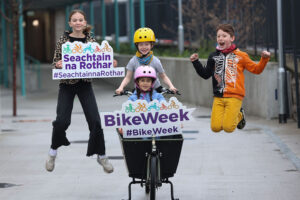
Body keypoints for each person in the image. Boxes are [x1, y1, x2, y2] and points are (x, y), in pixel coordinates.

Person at [45, 9, 113, 173]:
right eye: (74, 20)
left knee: (95, 121)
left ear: (84, 22)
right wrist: (59, 64)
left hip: (85, 84)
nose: (77, 22)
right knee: (62, 121)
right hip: (67, 85)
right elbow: (55, 61)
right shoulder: (63, 39)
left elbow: (98, 60)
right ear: (70, 23)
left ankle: (102, 156)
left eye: (80, 20)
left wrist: (109, 61)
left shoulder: (90, 40)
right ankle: (52, 152)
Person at [190, 24, 271, 133]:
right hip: (218, 96)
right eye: (218, 36)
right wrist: (196, 62)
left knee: (228, 128)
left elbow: (256, 69)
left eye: (224, 36)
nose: (220, 39)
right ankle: (237, 113)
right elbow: (205, 75)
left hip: (235, 96)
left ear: (232, 38)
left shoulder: (241, 56)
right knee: (215, 128)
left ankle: (239, 115)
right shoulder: (213, 56)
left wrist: (264, 59)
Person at [115, 27, 177, 94]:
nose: (144, 47)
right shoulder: (133, 61)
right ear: (137, 46)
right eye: (141, 44)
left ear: (151, 45)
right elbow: (127, 77)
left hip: (155, 90)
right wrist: (121, 88)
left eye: (147, 44)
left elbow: (163, 76)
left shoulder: (155, 61)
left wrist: (171, 86)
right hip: (138, 91)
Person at [118, 65, 165, 135]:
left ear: (152, 83)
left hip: (156, 129)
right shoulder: (132, 98)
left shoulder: (158, 96)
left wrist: (176, 122)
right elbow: (126, 112)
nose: (145, 83)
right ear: (137, 82)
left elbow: (166, 108)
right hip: (139, 130)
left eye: (148, 81)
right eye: (142, 80)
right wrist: (122, 125)